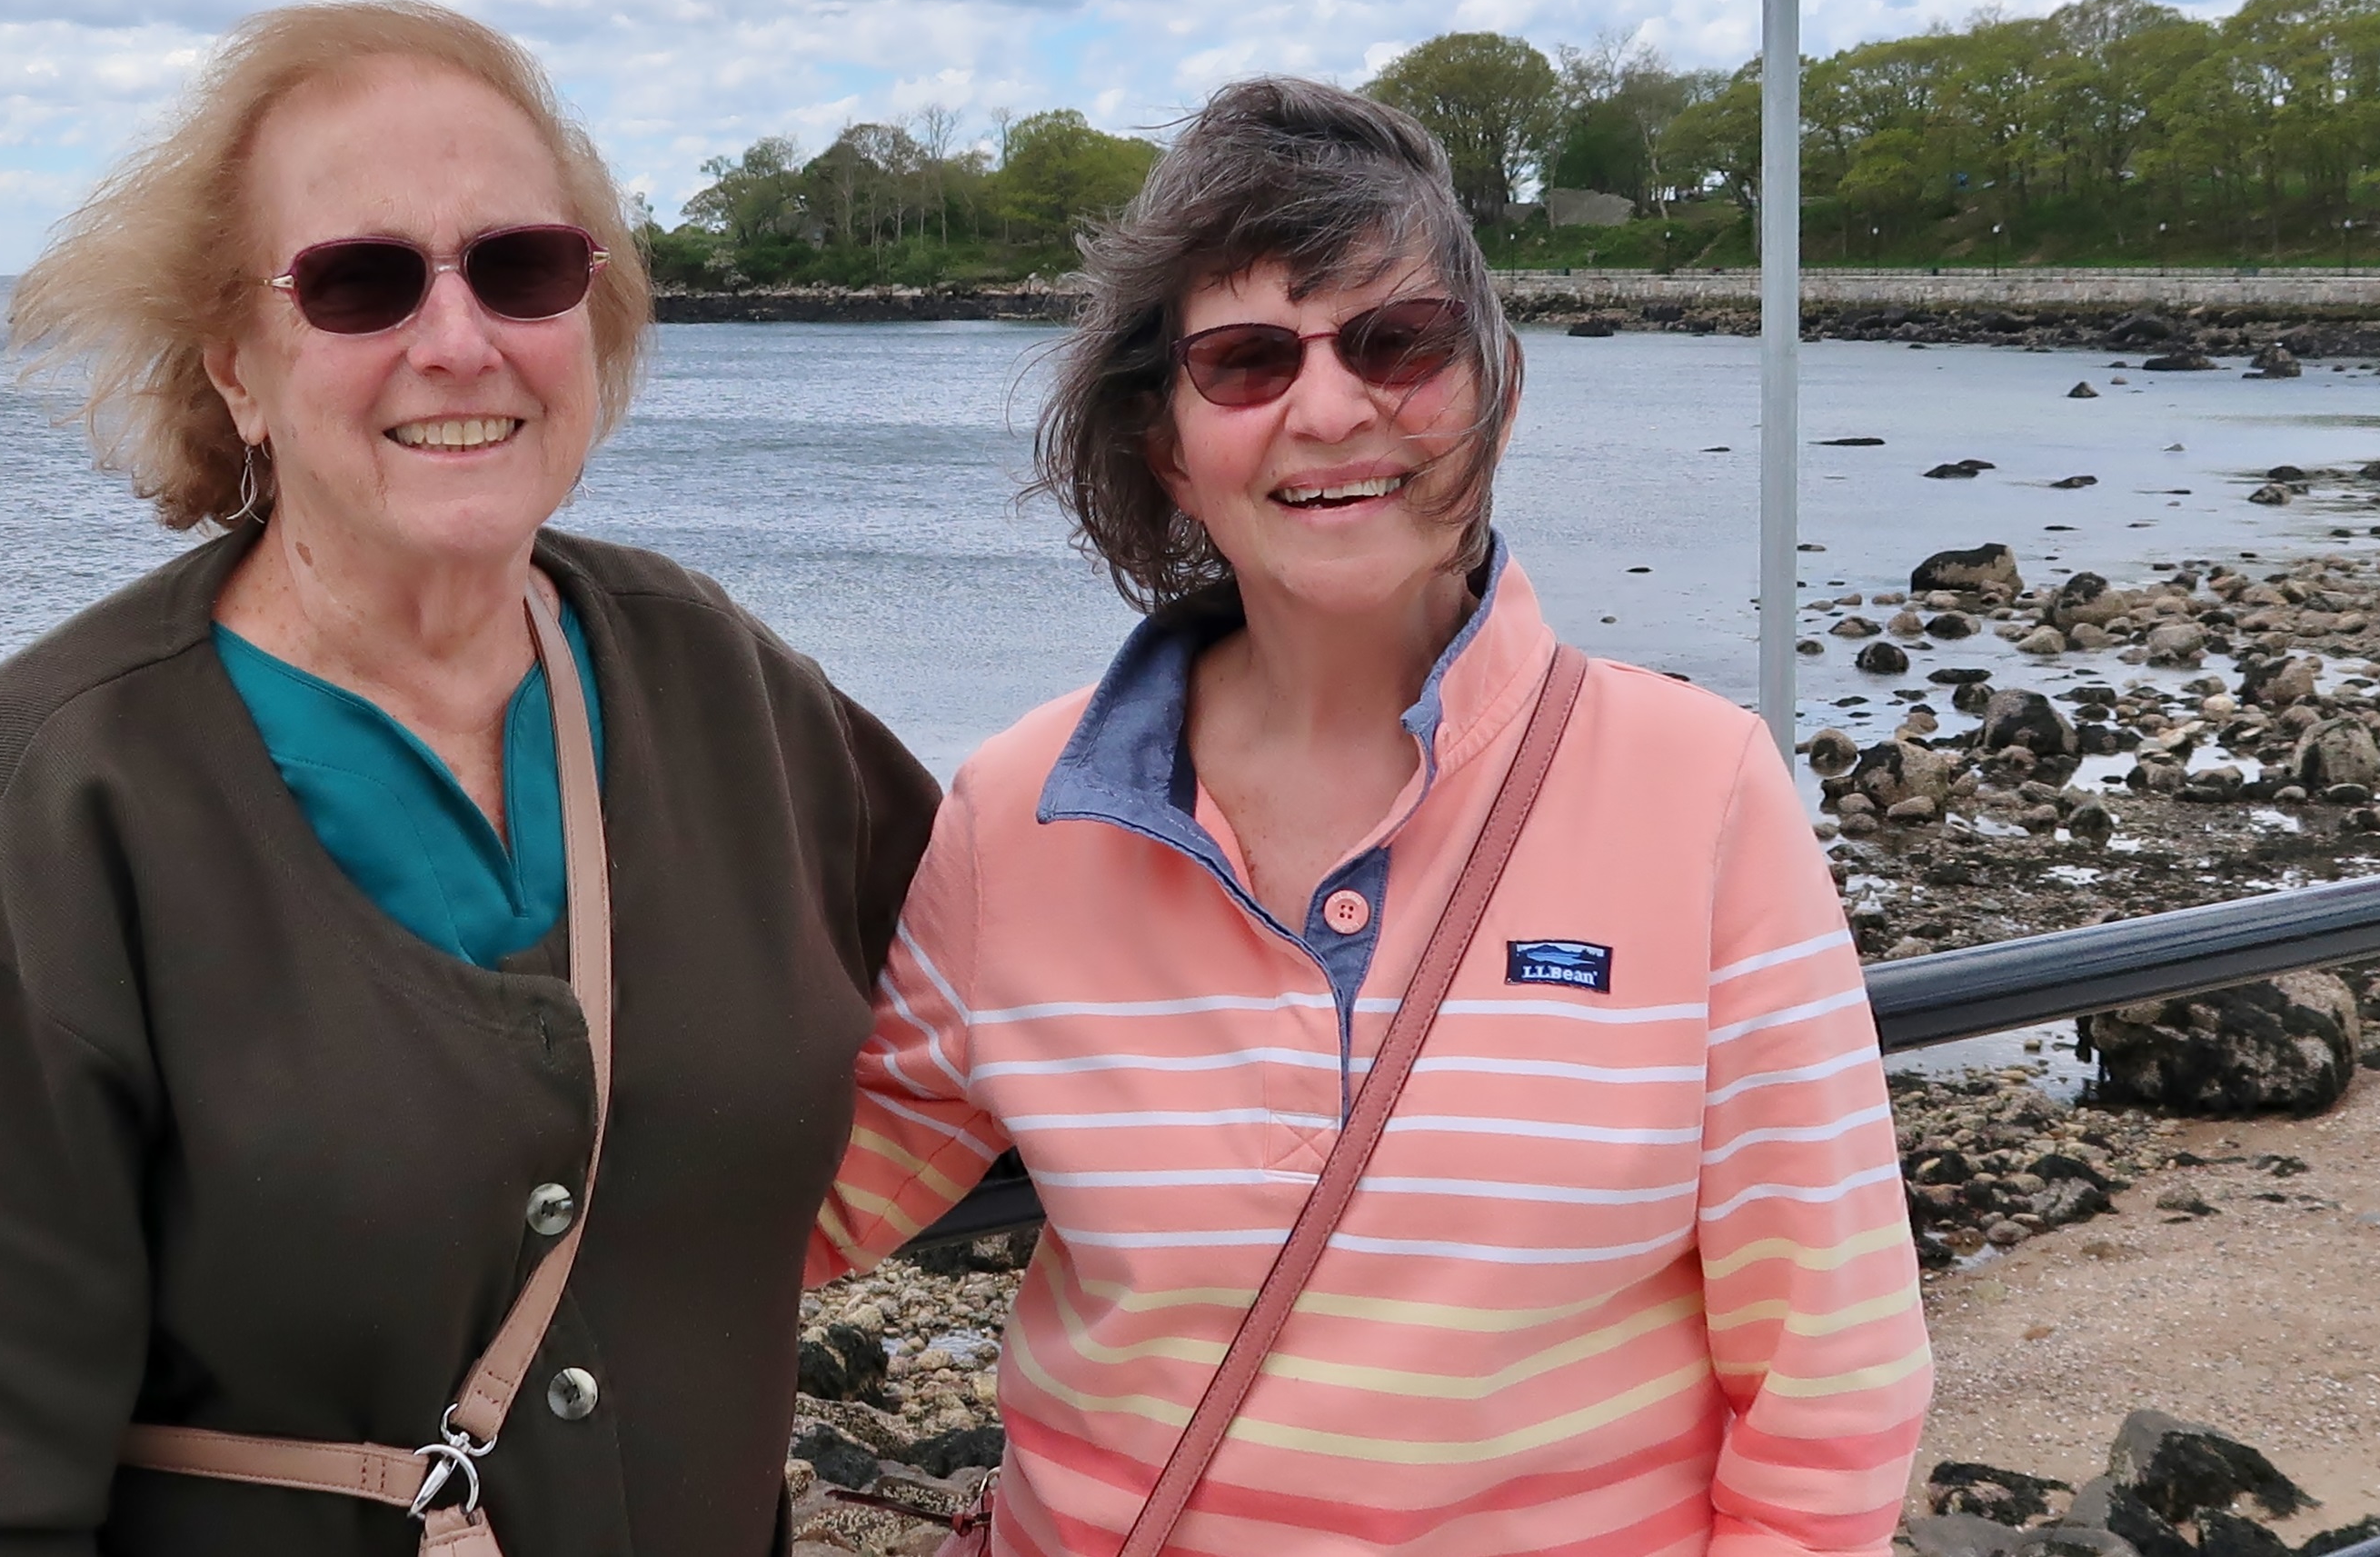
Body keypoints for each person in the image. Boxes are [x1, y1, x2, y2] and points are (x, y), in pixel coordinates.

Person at [0, 0, 938, 1557]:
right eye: (362, 282)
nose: (457, 339)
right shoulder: (61, 799)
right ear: (235, 365)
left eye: (521, 266)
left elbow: (1033, 961)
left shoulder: (722, 688)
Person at [805, 78, 1926, 1556]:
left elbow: (1830, 1379)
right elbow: (802, 1202)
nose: (1331, 408)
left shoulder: (1701, 788)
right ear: (1167, 445)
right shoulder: (1019, 813)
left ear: (1495, 390)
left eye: (1398, 341)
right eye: (1247, 361)